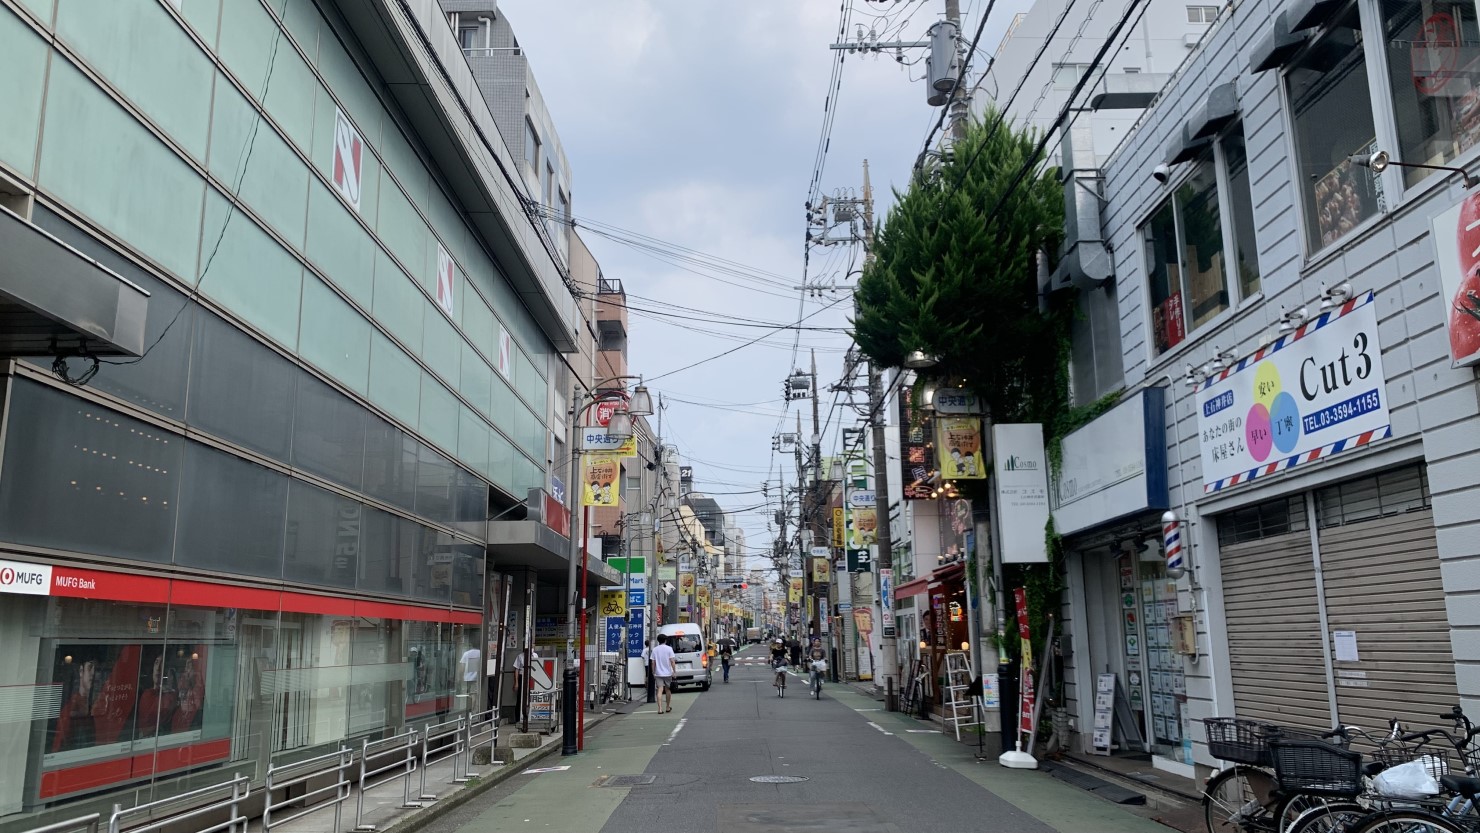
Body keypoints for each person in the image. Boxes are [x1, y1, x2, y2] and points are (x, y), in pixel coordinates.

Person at [651, 634, 676, 714]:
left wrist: (653, 672)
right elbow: (672, 661)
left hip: (658, 673)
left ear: (658, 640)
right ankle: (667, 707)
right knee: (668, 690)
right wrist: (674, 671)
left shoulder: (655, 650)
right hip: (668, 673)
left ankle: (660, 709)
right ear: (665, 640)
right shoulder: (669, 649)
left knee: (660, 690)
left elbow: (653, 662)